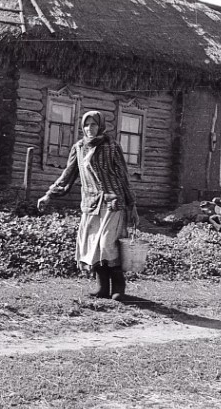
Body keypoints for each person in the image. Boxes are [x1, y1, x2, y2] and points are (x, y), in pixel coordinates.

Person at [37, 110, 139, 300]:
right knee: (93, 246)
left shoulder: (111, 146)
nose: (89, 128)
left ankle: (118, 288)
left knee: (107, 244)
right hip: (91, 203)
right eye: (86, 125)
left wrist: (131, 204)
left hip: (113, 201)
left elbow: (124, 176)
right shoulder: (79, 147)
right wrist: (48, 195)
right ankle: (102, 288)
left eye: (93, 125)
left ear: (100, 126)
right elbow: (67, 174)